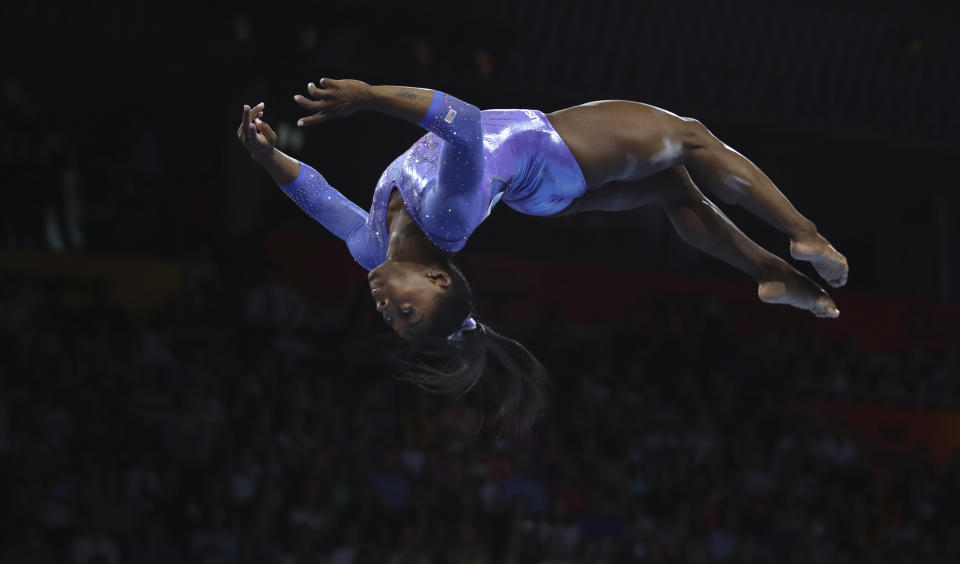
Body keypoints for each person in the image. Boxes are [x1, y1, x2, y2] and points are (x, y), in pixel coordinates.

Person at [236, 79, 848, 429]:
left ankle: (774, 273)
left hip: (535, 192)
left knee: (671, 188)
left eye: (393, 319)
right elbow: (466, 123)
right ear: (437, 280)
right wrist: (370, 96)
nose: (388, 308)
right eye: (409, 312)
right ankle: (803, 233)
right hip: (555, 151)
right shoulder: (446, 215)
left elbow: (317, 199)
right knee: (689, 136)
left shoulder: (372, 250)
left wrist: (266, 157)